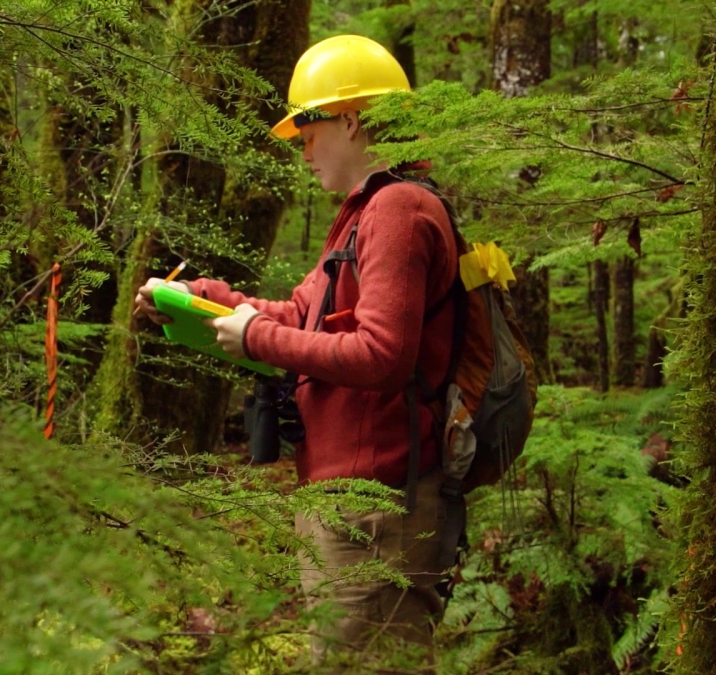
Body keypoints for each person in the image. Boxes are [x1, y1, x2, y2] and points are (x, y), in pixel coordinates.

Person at [134, 35, 457, 665]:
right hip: (356, 500)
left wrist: (255, 336)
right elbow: (302, 317)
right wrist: (199, 298)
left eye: (308, 132)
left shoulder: (397, 209)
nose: (302, 151)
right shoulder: (362, 214)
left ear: (352, 120)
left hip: (378, 505)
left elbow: (382, 354)